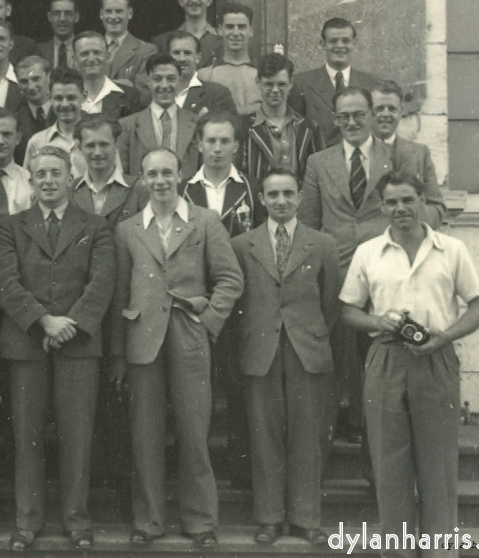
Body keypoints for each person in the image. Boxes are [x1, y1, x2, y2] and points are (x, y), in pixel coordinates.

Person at [340, 170, 479, 558]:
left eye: (408, 200)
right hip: (386, 359)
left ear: (422, 201)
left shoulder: (451, 250)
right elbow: (348, 311)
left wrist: (446, 336)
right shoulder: (368, 252)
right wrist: (378, 321)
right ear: (381, 207)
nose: (400, 208)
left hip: (436, 358)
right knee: (390, 469)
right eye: (391, 202)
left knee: (438, 467)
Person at [298, 86, 447, 451]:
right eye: (343, 116)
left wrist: (404, 228)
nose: (351, 122)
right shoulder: (319, 162)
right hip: (336, 273)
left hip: (387, 268)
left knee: (383, 358)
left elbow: (432, 208)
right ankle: (332, 432)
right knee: (336, 356)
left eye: (358, 115)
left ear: (371, 114)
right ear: (335, 120)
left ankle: (374, 441)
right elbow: (309, 223)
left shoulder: (398, 158)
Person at [111, 148, 243, 548]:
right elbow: (120, 293)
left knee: (194, 431)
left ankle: (200, 520)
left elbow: (230, 279)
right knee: (145, 434)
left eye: (167, 173)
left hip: (189, 336)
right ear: (142, 179)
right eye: (152, 174)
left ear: (181, 175)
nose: (160, 181)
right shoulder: (128, 229)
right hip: (142, 340)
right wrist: (118, 353)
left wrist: (208, 320)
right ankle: (149, 520)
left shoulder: (205, 221)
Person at [0, 146, 115, 551]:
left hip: (79, 346)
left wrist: (68, 326)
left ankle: (77, 521)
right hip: (26, 344)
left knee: (77, 436)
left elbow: (101, 283)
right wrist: (44, 321)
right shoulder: (10, 227)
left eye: (56, 173)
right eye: (40, 174)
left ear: (70, 179)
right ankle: (27, 521)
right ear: (31, 180)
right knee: (26, 436)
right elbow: (6, 283)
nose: (48, 180)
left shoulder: (95, 226)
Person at [230, 168, 340, 546]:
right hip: (260, 348)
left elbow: (331, 301)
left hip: (306, 348)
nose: (281, 201)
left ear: (299, 198)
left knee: (307, 434)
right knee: (265, 434)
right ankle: (269, 518)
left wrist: (308, 331)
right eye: (273, 194)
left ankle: (306, 518)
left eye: (288, 193)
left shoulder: (322, 244)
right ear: (261, 199)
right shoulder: (241, 245)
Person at [181, 111, 264, 489]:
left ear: (236, 146)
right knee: (192, 385)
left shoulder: (251, 187)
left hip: (240, 296)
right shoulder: (184, 189)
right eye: (210, 141)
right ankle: (191, 469)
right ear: (199, 144)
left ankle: (240, 467)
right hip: (195, 298)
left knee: (237, 381)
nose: (217, 148)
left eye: (224, 141)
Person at [73, 113, 148, 488]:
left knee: (122, 395)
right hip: (83, 307)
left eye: (104, 144)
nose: (98, 152)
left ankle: (120, 485)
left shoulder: (138, 190)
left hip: (126, 303)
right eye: (90, 145)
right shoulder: (72, 192)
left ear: (116, 146)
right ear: (79, 148)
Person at [288, 17, 378, 146]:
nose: (340, 46)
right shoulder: (301, 83)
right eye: (333, 41)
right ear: (322, 44)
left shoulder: (371, 84)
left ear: (354, 43)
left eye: (346, 41)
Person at [242, 53, 324, 181]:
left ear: (291, 83)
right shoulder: (244, 128)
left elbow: (320, 174)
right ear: (258, 82)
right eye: (269, 84)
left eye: (281, 84)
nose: (275, 90)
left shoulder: (309, 128)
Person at [118, 53, 201, 180]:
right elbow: (123, 176)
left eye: (171, 79)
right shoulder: (127, 126)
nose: (164, 85)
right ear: (148, 81)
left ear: (179, 80)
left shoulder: (197, 123)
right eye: (157, 79)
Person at [370, 80, 445, 214]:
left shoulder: (420, 153)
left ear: (401, 112)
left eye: (392, 109)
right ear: (369, 112)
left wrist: (414, 221)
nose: (386, 114)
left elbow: (436, 206)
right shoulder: (353, 152)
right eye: (379, 109)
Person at [22, 67, 92, 178]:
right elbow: (28, 183)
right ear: (50, 98)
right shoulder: (37, 142)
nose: (65, 104)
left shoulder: (98, 138)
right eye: (58, 98)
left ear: (84, 97)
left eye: (71, 98)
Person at [196, 3, 262, 115]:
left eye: (241, 27)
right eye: (229, 27)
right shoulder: (204, 76)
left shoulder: (265, 75)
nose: (235, 33)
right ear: (220, 30)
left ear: (251, 31)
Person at [152, 0, 223, 69]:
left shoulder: (222, 41)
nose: (194, 0)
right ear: (181, 1)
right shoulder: (161, 43)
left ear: (209, 0)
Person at [74, 31, 141, 120]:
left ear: (108, 57)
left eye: (97, 53)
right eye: (84, 54)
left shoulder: (129, 96)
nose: (91, 59)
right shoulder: (64, 96)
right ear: (74, 60)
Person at [168, 31, 237, 116]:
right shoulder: (156, 93)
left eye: (187, 53)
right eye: (176, 53)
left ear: (198, 58)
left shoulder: (217, 94)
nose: (182, 59)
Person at [99, 0, 157, 87]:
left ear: (130, 13)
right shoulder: (89, 49)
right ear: (101, 14)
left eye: (119, 11)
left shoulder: (146, 51)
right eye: (108, 11)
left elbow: (144, 91)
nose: (113, 16)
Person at [14, 56, 55, 165]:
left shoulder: (65, 112)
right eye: (24, 81)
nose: (31, 87)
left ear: (49, 77)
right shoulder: (14, 120)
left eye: (36, 79)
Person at [38, 0, 79, 70]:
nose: (62, 19)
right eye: (56, 13)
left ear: (76, 17)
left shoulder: (84, 49)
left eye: (68, 13)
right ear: (49, 17)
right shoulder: (39, 51)